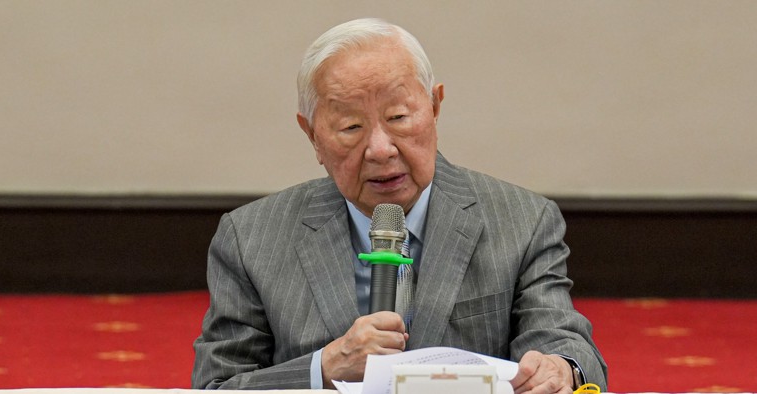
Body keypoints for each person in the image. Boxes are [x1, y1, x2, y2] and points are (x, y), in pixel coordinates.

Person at [192, 18, 608, 393]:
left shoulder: (523, 221)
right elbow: (217, 384)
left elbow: (566, 343)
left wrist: (560, 369)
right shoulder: (250, 238)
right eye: (351, 127)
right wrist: (324, 367)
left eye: (399, 118)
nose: (380, 149)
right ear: (312, 135)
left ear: (434, 106)